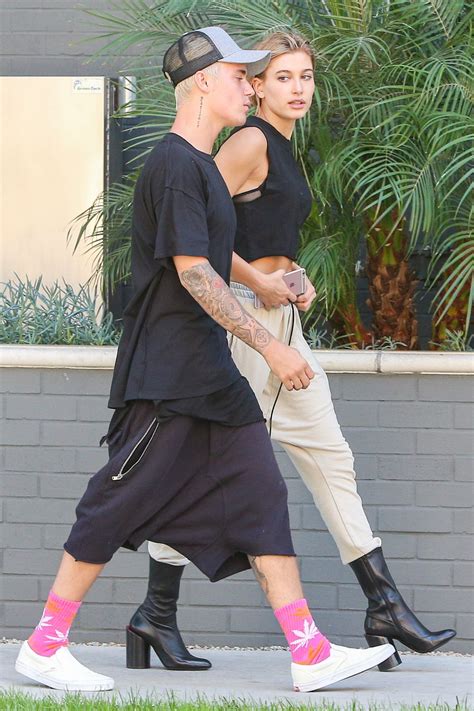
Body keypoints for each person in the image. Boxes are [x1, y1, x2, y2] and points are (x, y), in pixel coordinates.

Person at [15, 27, 395, 694]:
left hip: (211, 374)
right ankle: (44, 645)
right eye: (240, 76)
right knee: (114, 503)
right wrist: (271, 344)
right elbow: (195, 274)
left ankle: (308, 649)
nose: (250, 86)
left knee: (262, 495)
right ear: (201, 83)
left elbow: (221, 264)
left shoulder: (202, 166)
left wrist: (278, 281)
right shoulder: (175, 167)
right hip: (168, 376)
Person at [138, 30, 456, 673]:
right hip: (246, 326)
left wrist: (293, 276)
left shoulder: (285, 146)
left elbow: (264, 236)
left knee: (329, 456)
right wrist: (257, 282)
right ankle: (158, 613)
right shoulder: (250, 141)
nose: (298, 88)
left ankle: (383, 604)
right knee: (212, 471)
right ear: (254, 85)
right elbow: (194, 232)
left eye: (306, 76)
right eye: (282, 77)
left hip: (282, 322)